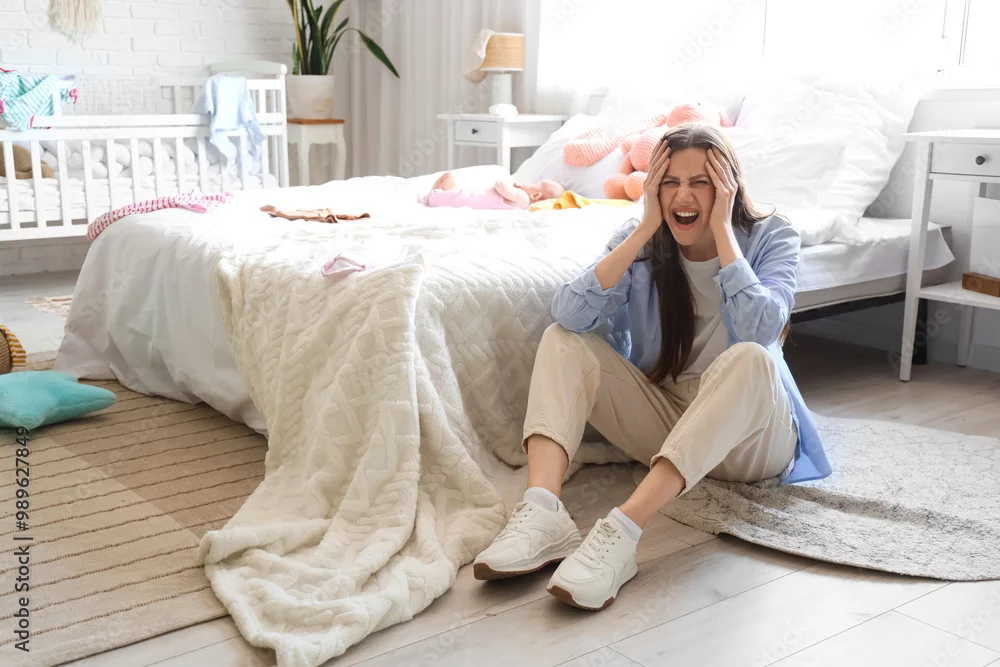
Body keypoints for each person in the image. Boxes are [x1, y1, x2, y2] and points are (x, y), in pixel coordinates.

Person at [473, 123, 832, 611]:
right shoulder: (644, 238)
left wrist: (723, 230)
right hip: (671, 423)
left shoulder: (773, 235)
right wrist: (644, 228)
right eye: (669, 182)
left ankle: (622, 531)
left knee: (750, 358)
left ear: (727, 186)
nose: (683, 196)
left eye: (700, 182)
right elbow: (570, 313)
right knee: (563, 340)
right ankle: (542, 513)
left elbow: (761, 329)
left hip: (752, 440)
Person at [421, 170, 565, 210]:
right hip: (468, 196)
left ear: (536, 195)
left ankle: (432, 197)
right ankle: (433, 197)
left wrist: (511, 184)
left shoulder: (523, 198)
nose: (526, 184)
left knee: (449, 177)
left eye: (535, 184)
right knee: (451, 183)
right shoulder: (521, 200)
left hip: (464, 198)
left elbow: (499, 185)